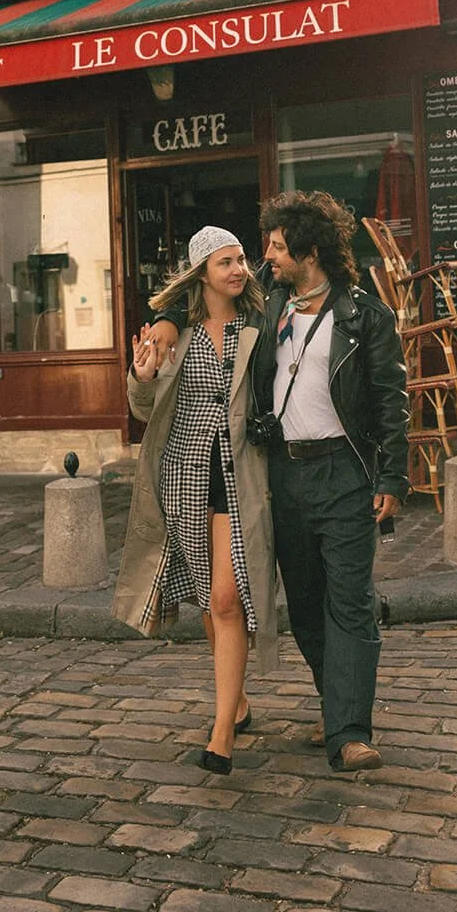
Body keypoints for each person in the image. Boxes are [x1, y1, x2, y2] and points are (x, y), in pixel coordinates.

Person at [152, 191, 410, 774]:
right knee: (307, 605)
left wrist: (393, 473)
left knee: (351, 603)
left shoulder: (365, 315)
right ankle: (335, 700)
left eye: (274, 246)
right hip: (284, 478)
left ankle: (349, 731)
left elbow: (392, 401)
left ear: (308, 251)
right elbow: (199, 299)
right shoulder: (268, 311)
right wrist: (167, 321)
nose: (264, 258)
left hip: (345, 472)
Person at [112, 226, 278, 775]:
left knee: (229, 601)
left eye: (241, 261)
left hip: (239, 479)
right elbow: (142, 409)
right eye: (226, 262)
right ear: (201, 273)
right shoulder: (173, 334)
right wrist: (140, 376)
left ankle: (223, 731)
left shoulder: (259, 326)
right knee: (210, 604)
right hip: (184, 481)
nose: (239, 270)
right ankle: (239, 701)